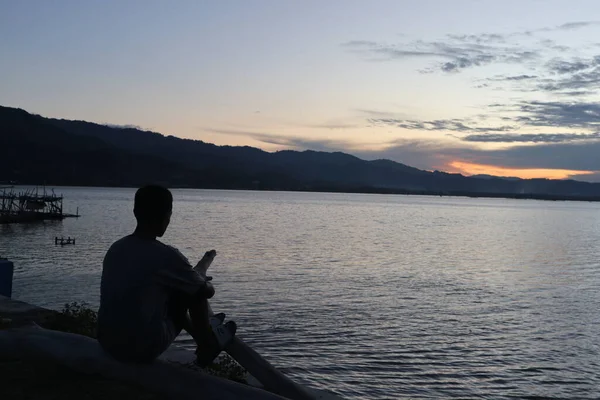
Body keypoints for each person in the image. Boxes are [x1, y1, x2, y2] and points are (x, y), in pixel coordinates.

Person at [97, 185, 236, 365]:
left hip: (106, 341)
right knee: (194, 292)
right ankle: (207, 343)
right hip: (138, 349)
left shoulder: (116, 248)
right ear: (167, 216)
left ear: (135, 212)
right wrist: (203, 282)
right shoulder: (167, 256)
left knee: (181, 289)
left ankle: (202, 331)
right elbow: (206, 292)